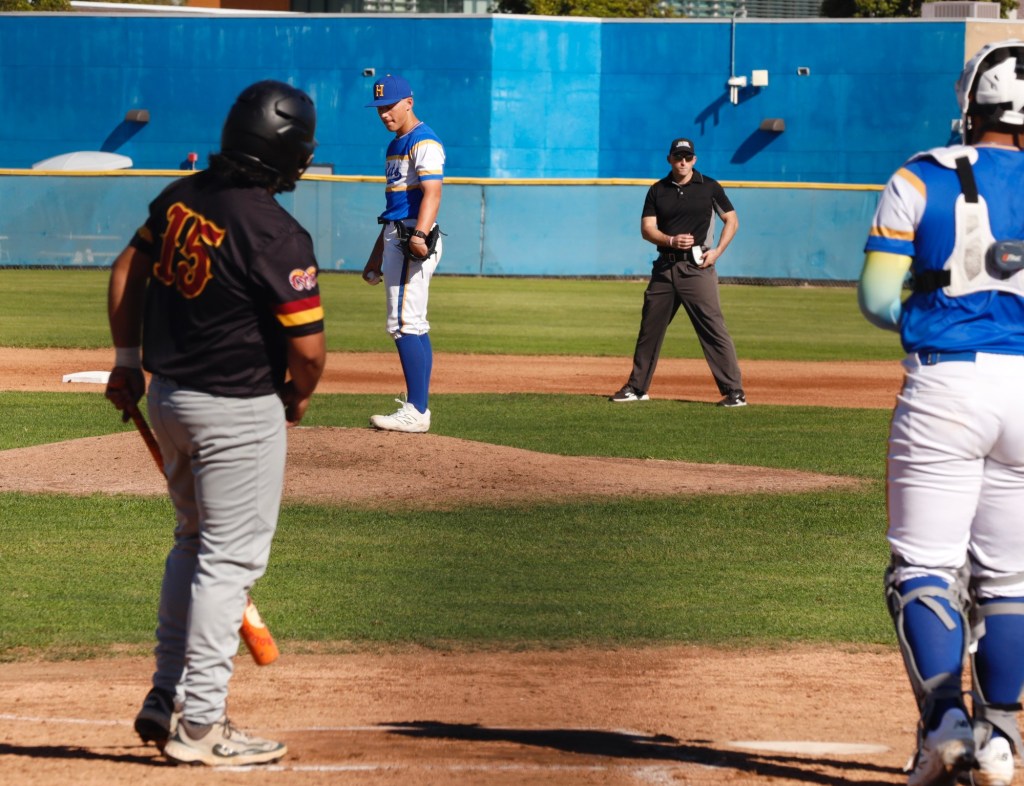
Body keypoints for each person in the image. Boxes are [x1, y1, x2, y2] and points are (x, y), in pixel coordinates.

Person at [104, 80, 326, 767]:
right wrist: (297, 393)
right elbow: (310, 350)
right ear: (287, 154)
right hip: (235, 409)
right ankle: (200, 723)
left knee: (194, 546)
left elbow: (124, 271)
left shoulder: (181, 197)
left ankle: (167, 693)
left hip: (169, 397)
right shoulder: (276, 229)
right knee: (227, 564)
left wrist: (125, 360)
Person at [858, 39, 1024, 786]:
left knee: (923, 569)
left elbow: (875, 299)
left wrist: (930, 316)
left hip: (946, 386)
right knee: (1011, 580)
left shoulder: (919, 175)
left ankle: (946, 726)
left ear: (971, 103)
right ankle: (1004, 741)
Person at [610, 137, 746, 407]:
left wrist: (717, 251)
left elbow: (732, 219)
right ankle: (637, 387)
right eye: (677, 156)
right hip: (665, 268)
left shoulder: (709, 187)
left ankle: (734, 392)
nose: (682, 161)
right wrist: (670, 240)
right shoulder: (657, 190)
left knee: (712, 328)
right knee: (650, 328)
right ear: (669, 159)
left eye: (687, 156)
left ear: (694, 159)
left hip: (697, 268)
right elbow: (647, 228)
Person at [361, 73, 445, 433]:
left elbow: (433, 193)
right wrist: (376, 255)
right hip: (397, 234)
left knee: (403, 323)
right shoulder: (396, 144)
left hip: (413, 236)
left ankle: (416, 410)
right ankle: (418, 408)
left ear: (408, 102)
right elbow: (395, 206)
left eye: (390, 106)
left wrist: (420, 234)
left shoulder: (423, 141)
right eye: (379, 108)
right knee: (414, 322)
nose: (384, 114)